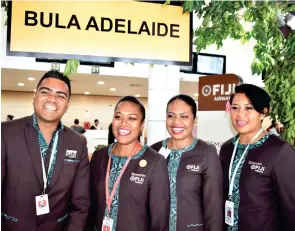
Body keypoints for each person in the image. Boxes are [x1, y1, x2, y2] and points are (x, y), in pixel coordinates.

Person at [1, 70, 90, 231]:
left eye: (60, 96)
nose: (52, 99)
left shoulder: (78, 143)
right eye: (45, 92)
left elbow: (80, 203)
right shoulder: (6, 133)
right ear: (34, 96)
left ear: (67, 104)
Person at [87, 96, 170, 231]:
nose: (123, 123)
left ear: (142, 124)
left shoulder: (155, 161)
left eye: (132, 118)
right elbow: (89, 205)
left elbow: (159, 221)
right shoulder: (99, 156)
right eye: (118, 117)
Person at [219, 84, 295, 231]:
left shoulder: (280, 150)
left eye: (249, 108)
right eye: (235, 108)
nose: (240, 114)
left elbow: (291, 208)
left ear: (263, 112)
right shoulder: (227, 149)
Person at [151, 94, 223, 231]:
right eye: (171, 116)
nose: (176, 122)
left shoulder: (206, 153)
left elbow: (214, 207)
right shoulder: (154, 151)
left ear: (195, 120)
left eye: (184, 116)